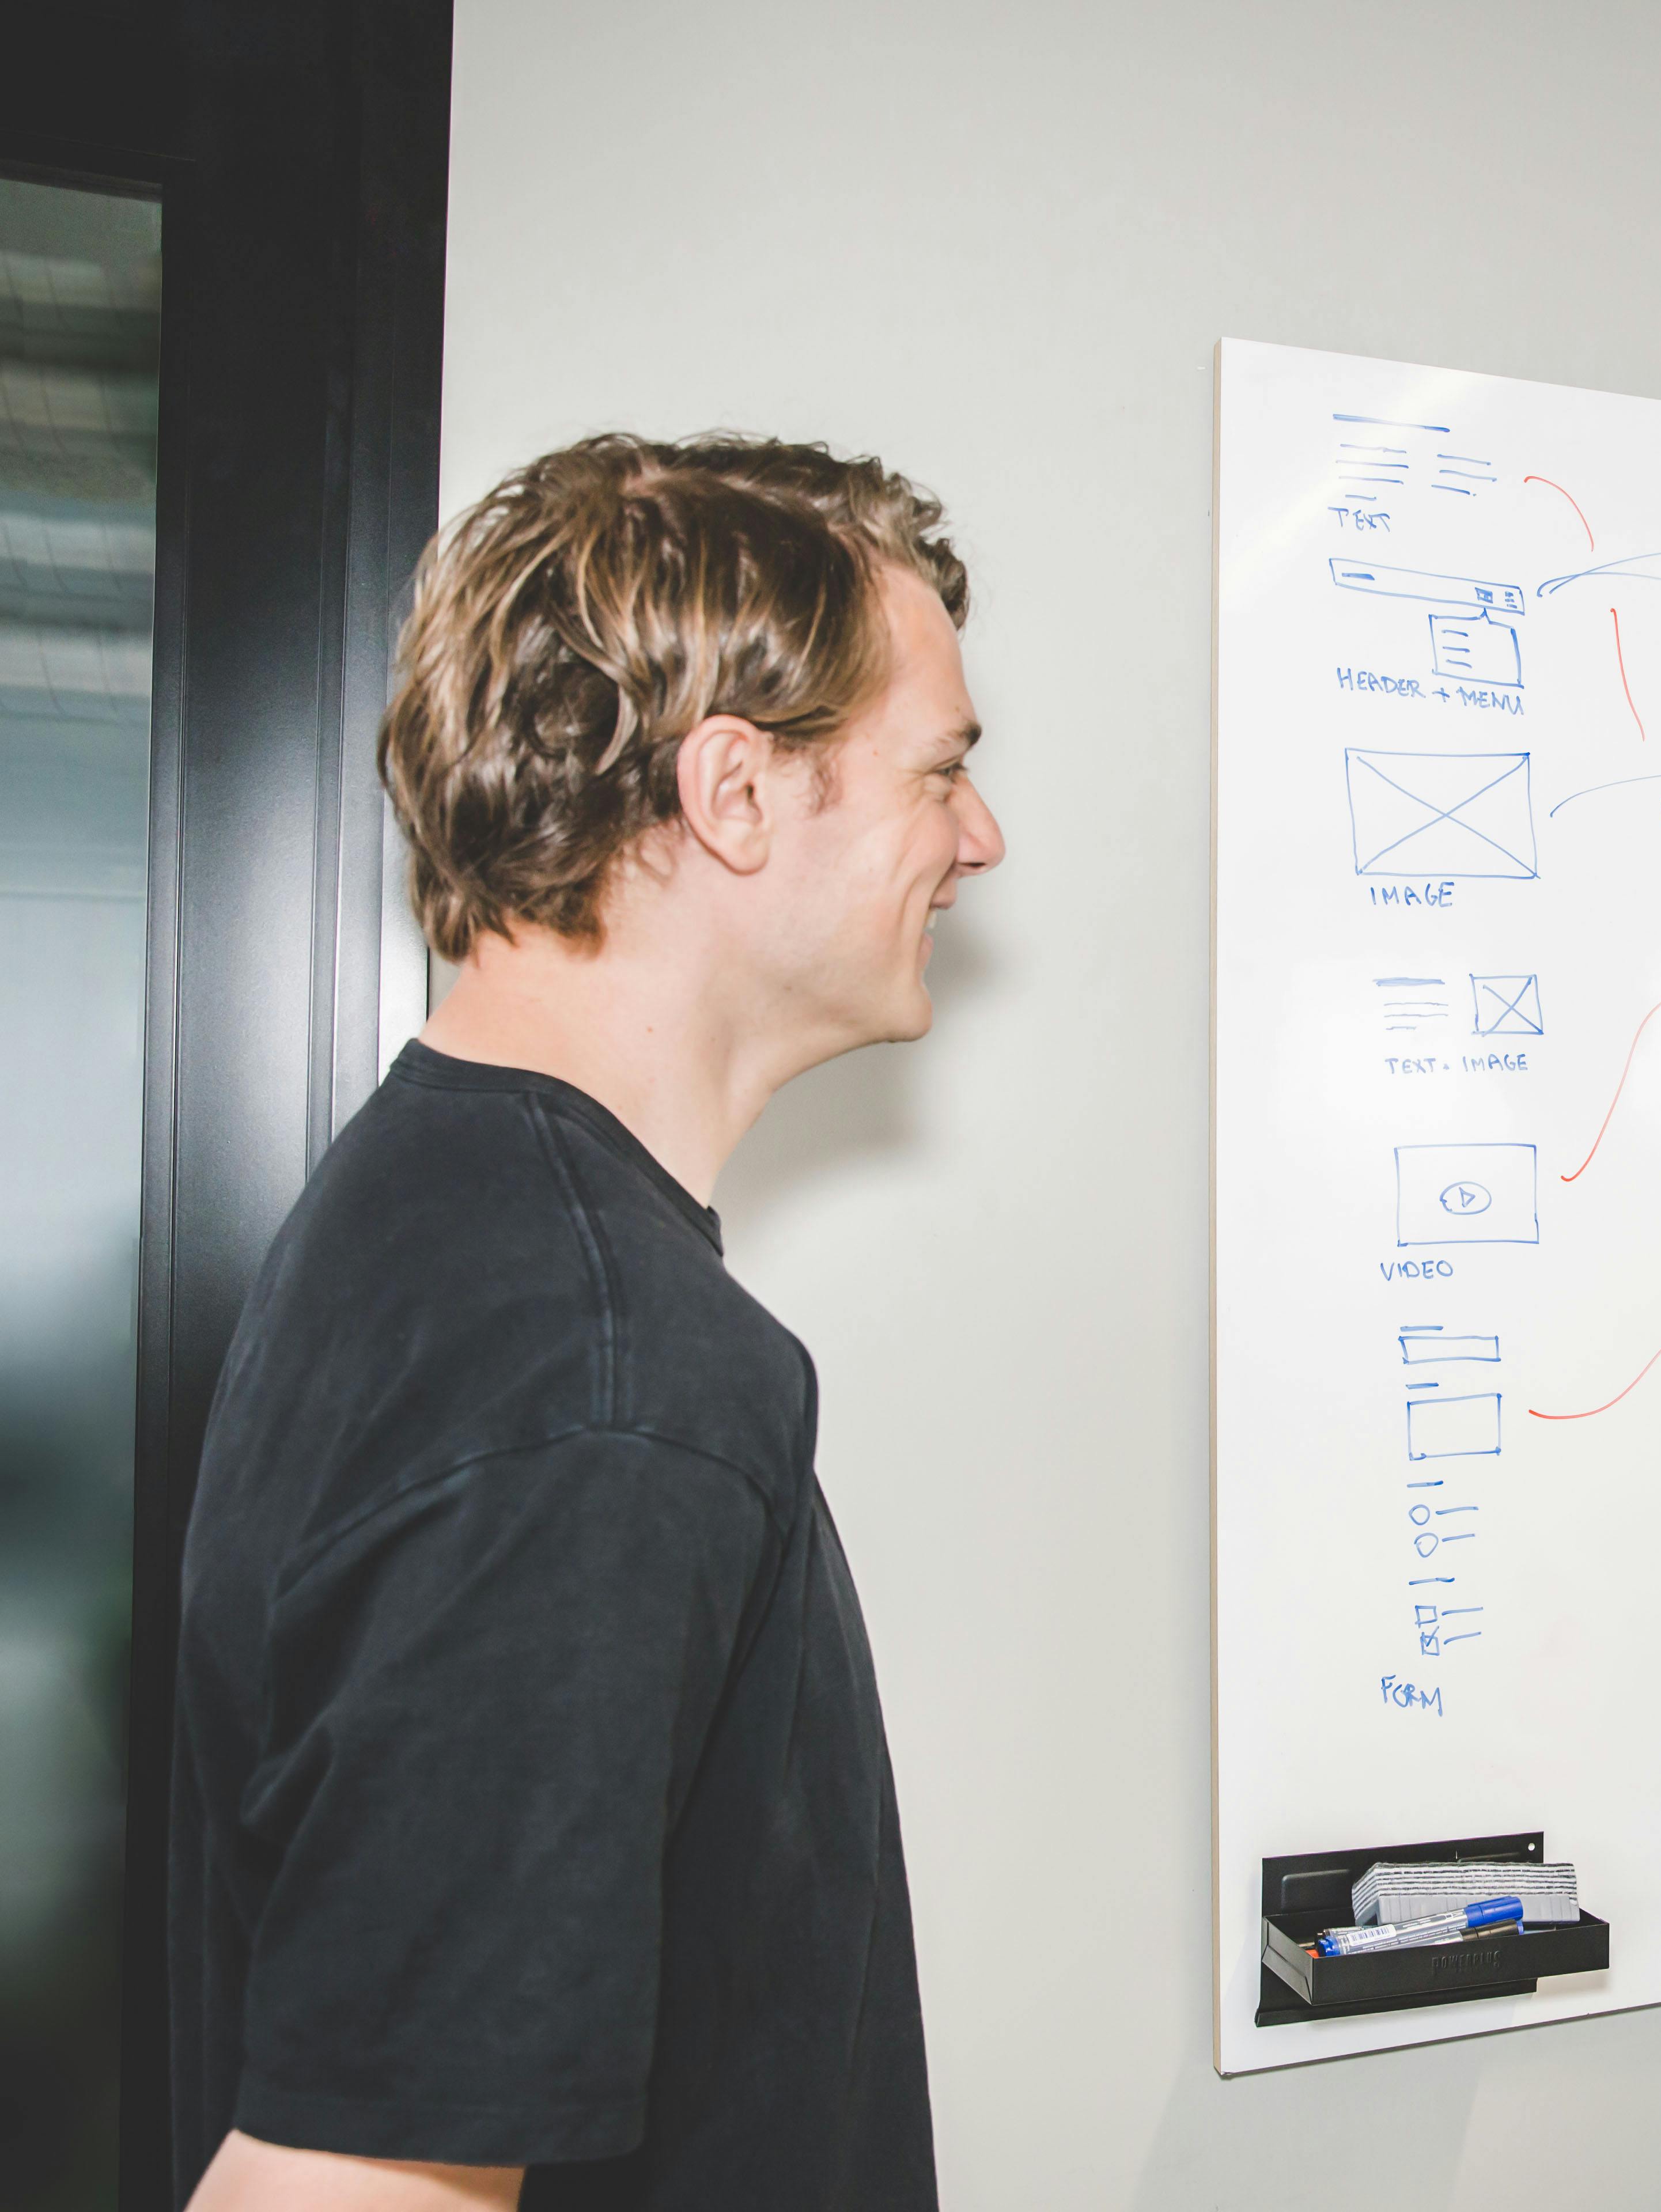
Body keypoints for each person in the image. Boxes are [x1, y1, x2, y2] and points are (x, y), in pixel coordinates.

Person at [168, 434, 1004, 2211]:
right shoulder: (597, 1373)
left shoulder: (435, 1218)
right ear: (737, 793)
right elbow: (342, 2181)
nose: (979, 840)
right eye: (940, 773)